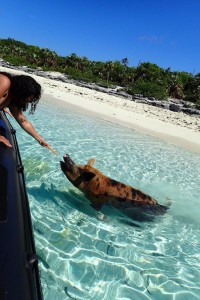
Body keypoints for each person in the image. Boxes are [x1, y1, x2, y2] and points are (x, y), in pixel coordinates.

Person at [0, 71, 49, 148]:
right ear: (23, 90)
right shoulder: (5, 82)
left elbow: (23, 121)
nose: (30, 100)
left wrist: (39, 139)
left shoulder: (13, 101)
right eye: (30, 96)